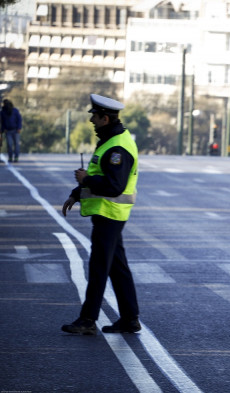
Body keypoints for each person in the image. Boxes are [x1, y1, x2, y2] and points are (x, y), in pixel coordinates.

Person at [61, 94, 140, 335]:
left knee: (99, 267)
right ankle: (129, 319)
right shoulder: (110, 140)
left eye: (95, 117)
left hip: (110, 213)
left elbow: (114, 185)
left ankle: (87, 320)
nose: (92, 121)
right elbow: (100, 175)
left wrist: (87, 179)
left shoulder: (117, 147)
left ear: (105, 118)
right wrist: (77, 192)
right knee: (118, 268)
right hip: (108, 213)